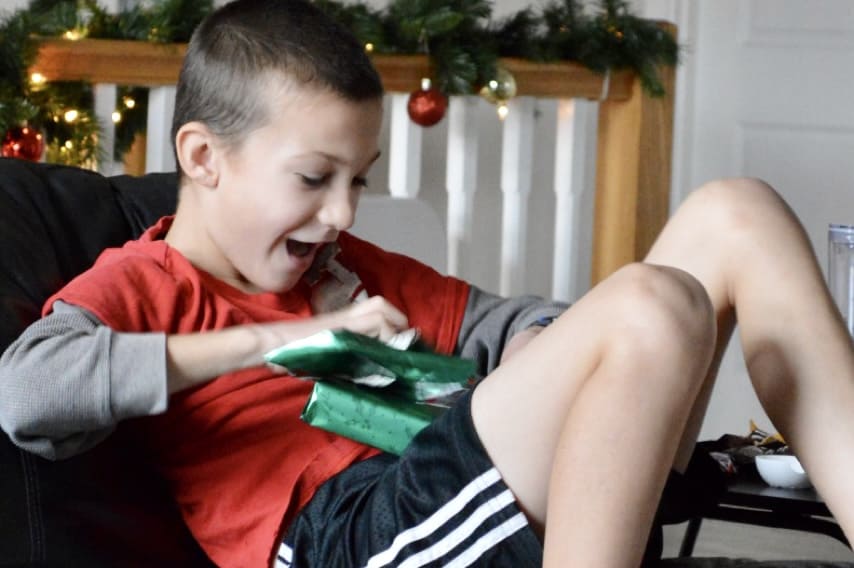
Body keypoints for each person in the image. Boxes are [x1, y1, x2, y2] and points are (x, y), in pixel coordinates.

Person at [1, 0, 852, 566]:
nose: (340, 212)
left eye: (358, 180)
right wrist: (281, 342)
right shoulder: (147, 281)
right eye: (313, 178)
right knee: (648, 301)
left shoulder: (340, 268)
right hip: (347, 532)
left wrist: (536, 357)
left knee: (736, 212)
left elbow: (511, 322)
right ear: (201, 157)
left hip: (467, 467)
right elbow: (28, 392)